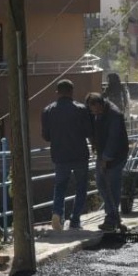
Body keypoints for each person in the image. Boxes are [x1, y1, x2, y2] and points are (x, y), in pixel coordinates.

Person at [40, 78, 92, 231]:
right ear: (72, 92)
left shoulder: (48, 110)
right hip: (80, 155)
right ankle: (75, 220)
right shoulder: (81, 109)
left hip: (60, 155)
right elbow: (88, 132)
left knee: (60, 187)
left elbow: (46, 136)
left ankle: (57, 213)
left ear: (57, 93)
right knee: (81, 187)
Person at [86, 91, 129, 232]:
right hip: (102, 154)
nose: (94, 113)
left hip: (116, 156)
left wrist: (106, 158)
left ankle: (111, 218)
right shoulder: (98, 113)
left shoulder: (114, 115)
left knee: (112, 186)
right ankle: (113, 216)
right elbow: (94, 129)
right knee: (101, 184)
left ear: (99, 104)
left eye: (95, 109)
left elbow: (114, 139)